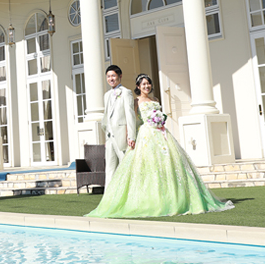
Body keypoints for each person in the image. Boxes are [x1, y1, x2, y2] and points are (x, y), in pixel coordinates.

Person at [88, 74, 233, 218]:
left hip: (162, 133)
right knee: (147, 166)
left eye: (148, 84)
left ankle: (175, 198)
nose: (146, 86)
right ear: (138, 87)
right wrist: (130, 136)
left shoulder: (155, 99)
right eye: (143, 84)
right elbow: (131, 119)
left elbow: (159, 114)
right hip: (146, 134)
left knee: (170, 163)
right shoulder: (136, 101)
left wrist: (159, 121)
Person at [100, 65, 136, 187]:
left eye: (113, 76)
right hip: (110, 137)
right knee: (109, 169)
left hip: (122, 136)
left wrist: (131, 136)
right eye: (108, 76)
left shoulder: (126, 92)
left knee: (125, 168)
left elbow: (130, 115)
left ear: (120, 76)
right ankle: (108, 200)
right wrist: (106, 137)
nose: (111, 79)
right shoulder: (106, 95)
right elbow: (107, 116)